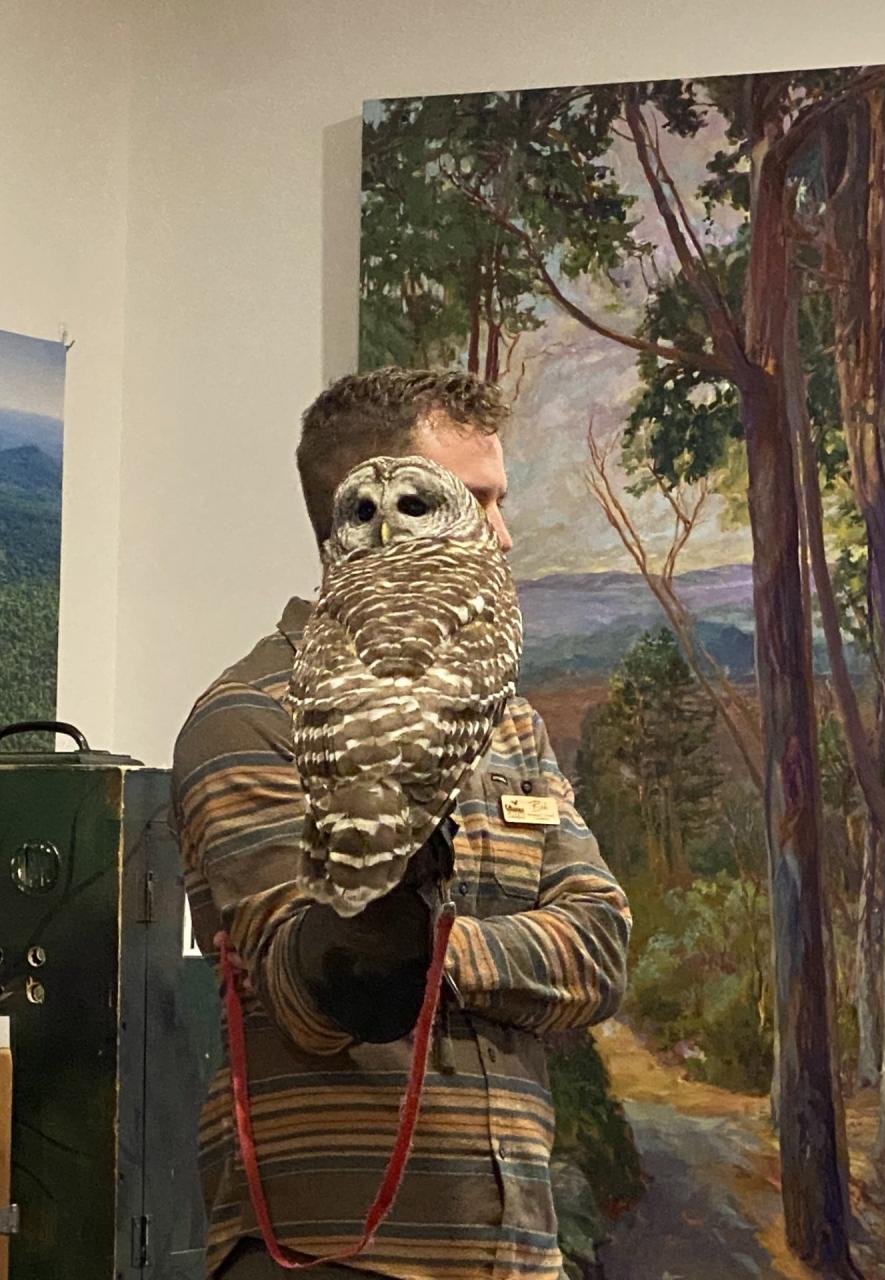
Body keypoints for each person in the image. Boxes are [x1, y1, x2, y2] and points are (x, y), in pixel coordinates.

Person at [171, 367, 632, 1280]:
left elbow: (601, 947)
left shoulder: (506, 718)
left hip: (513, 1253)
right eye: (476, 501)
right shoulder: (252, 717)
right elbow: (311, 996)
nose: (499, 533)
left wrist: (439, 945)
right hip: (331, 1258)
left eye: (500, 503)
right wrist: (406, 932)